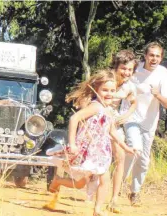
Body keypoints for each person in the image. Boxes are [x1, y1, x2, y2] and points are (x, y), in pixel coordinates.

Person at [44, 70, 134, 216]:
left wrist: (125, 147)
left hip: (102, 153)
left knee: (105, 180)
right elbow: (74, 119)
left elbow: (112, 131)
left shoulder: (108, 110)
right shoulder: (95, 106)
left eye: (112, 90)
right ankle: (58, 180)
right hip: (88, 150)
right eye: (105, 90)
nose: (109, 93)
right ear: (96, 90)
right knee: (80, 184)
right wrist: (72, 143)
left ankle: (97, 210)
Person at [123, 42, 167, 206]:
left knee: (143, 160)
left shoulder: (163, 73)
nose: (154, 59)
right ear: (145, 56)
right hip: (130, 117)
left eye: (158, 56)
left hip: (149, 122)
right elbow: (119, 81)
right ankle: (118, 185)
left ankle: (135, 192)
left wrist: (157, 94)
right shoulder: (134, 69)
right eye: (151, 55)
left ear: (161, 58)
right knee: (133, 148)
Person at [106, 50, 140, 213]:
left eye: (130, 70)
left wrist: (124, 116)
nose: (126, 73)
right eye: (123, 69)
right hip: (97, 122)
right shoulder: (105, 78)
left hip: (114, 122)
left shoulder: (129, 86)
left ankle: (114, 199)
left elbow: (134, 103)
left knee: (120, 158)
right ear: (116, 67)